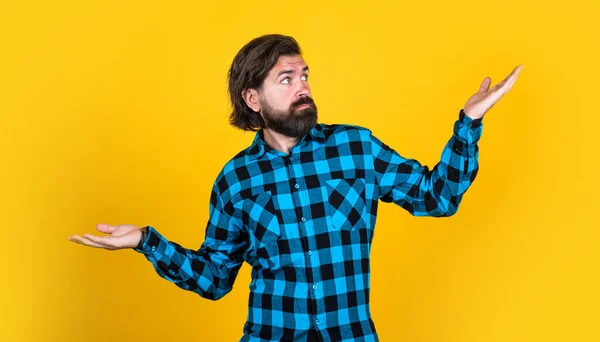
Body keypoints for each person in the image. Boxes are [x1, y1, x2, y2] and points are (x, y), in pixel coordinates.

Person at [68, 34, 524, 341]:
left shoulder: (355, 148)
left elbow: (437, 197)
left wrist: (469, 123)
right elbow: (214, 279)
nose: (302, 87)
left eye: (304, 75)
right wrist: (147, 242)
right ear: (253, 99)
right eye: (286, 80)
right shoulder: (236, 180)